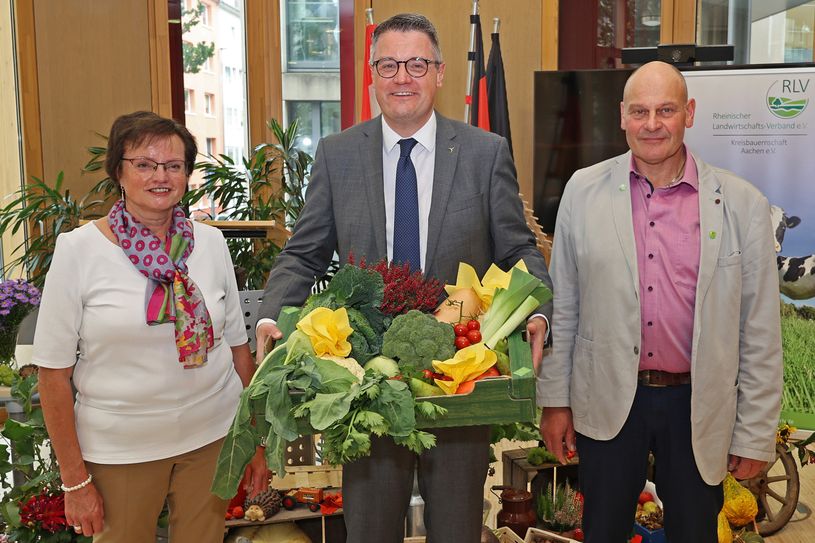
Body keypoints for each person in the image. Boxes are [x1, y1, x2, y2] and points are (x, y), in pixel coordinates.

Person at [256, 13, 552, 543]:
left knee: (458, 530)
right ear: (372, 75)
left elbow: (518, 249)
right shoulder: (337, 155)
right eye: (388, 64)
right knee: (369, 530)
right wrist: (273, 317)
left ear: (439, 74)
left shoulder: (486, 154)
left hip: (461, 375)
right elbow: (302, 255)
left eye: (417, 63)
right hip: (366, 379)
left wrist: (538, 311)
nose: (402, 77)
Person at [538, 61, 782, 542]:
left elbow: (758, 330)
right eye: (640, 111)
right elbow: (563, 306)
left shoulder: (742, 204)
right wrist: (554, 402)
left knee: (695, 532)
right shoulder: (582, 192)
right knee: (603, 530)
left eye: (666, 110)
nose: (652, 124)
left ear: (688, 113)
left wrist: (755, 431)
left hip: (699, 403)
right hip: (608, 398)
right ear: (621, 116)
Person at [32, 111, 267, 543]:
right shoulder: (79, 251)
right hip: (121, 450)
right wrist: (74, 481)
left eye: (173, 166)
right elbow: (53, 374)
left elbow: (237, 349)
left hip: (212, 439)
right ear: (118, 172)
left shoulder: (211, 243)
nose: (160, 176)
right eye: (144, 164)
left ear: (186, 175)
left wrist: (254, 441)